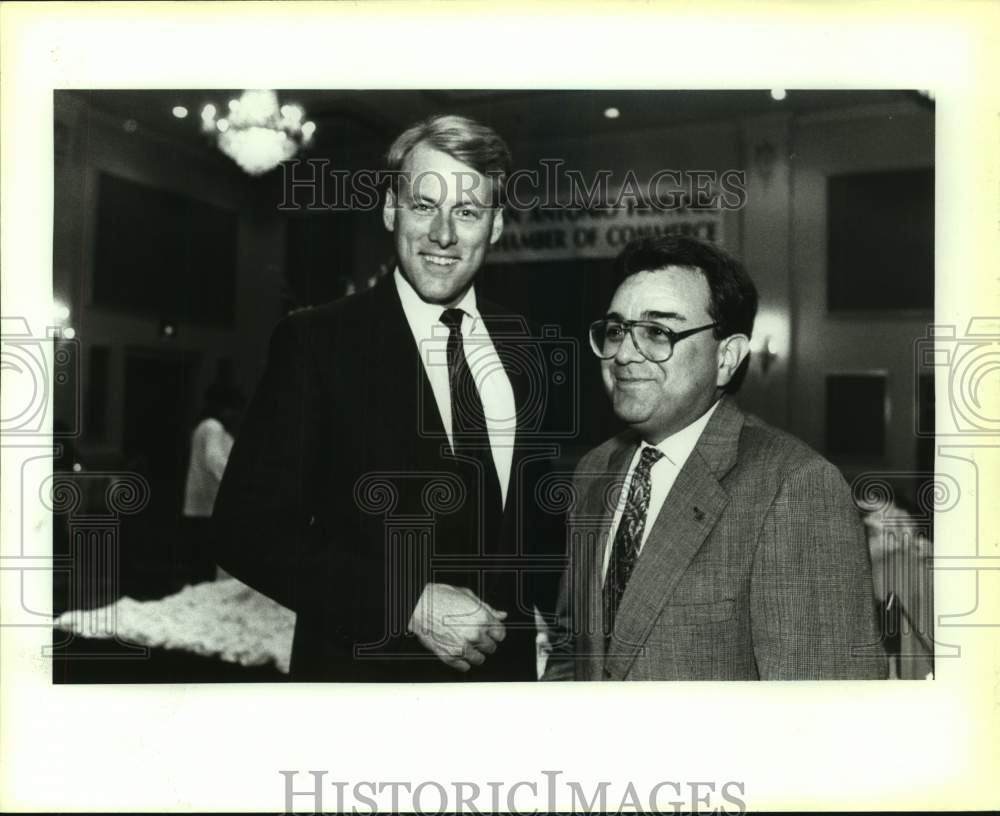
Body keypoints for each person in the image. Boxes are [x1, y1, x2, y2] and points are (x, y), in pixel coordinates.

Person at [213, 114, 562, 682]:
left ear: (496, 226)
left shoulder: (527, 345)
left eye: (468, 212)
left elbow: (537, 526)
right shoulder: (316, 342)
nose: (443, 234)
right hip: (363, 692)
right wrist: (407, 603)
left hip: (503, 698)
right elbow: (243, 531)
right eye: (424, 205)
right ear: (390, 210)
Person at [543, 235, 886, 681]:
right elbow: (572, 652)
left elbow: (820, 715)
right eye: (616, 330)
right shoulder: (594, 471)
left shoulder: (795, 487)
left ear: (726, 357)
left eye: (657, 332)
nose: (624, 354)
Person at [181, 383, 243, 585]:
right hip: (209, 505)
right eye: (232, 409)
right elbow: (214, 459)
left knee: (200, 564)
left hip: (201, 504)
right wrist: (239, 483)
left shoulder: (204, 427)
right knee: (206, 565)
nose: (234, 414)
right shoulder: (213, 428)